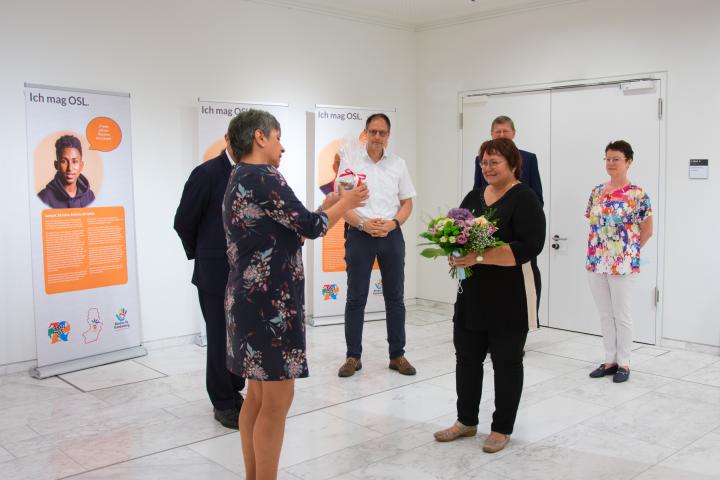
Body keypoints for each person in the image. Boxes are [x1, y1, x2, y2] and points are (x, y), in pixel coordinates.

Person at [223, 109, 368, 480]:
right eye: (277, 137)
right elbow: (312, 227)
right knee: (277, 400)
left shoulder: (240, 175)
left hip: (248, 301)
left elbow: (295, 224)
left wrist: (333, 201)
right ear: (259, 137)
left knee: (257, 397)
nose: (282, 146)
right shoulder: (264, 174)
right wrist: (348, 205)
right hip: (270, 304)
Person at [434, 138, 545, 454]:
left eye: (494, 162)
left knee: (507, 363)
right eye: (484, 162)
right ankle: (466, 421)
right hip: (472, 294)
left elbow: (528, 247)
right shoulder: (474, 195)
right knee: (466, 359)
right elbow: (458, 234)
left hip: (509, 297)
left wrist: (478, 256)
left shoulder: (525, 199)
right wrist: (453, 252)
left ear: (512, 165)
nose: (488, 167)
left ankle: (501, 428)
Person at [174, 134, 246, 429]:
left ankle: (234, 389)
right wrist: (204, 255)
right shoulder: (206, 174)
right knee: (219, 338)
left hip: (247, 273)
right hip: (215, 272)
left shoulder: (252, 174)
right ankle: (222, 402)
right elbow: (183, 221)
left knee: (238, 337)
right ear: (229, 138)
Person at [337, 113, 417, 378]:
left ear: (388, 136)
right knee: (356, 297)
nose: (377, 137)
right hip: (360, 234)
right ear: (366, 133)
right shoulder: (350, 162)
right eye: (373, 132)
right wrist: (362, 224)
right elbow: (341, 203)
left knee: (395, 297)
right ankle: (353, 356)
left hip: (391, 234)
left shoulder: (398, 164)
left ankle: (397, 355)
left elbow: (407, 203)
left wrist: (394, 223)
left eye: (382, 133)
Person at [586, 140, 652, 384]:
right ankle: (609, 359)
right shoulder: (596, 191)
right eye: (608, 159)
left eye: (616, 159)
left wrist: (627, 252)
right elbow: (593, 224)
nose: (611, 163)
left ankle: (624, 362)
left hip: (622, 263)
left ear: (629, 162)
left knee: (621, 315)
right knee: (605, 314)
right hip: (596, 261)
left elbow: (647, 230)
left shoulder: (637, 194)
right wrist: (602, 251)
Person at [473, 116, 543, 205]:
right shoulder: (481, 159)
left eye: (505, 131)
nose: (501, 135)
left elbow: (538, 197)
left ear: (513, 133)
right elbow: (476, 192)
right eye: (498, 131)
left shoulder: (529, 158)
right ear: (492, 134)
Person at [38, 134, 95, 208]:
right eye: (64, 161)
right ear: (56, 165)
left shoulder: (89, 196)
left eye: (74, 161)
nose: (70, 168)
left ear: (81, 166)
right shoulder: (43, 198)